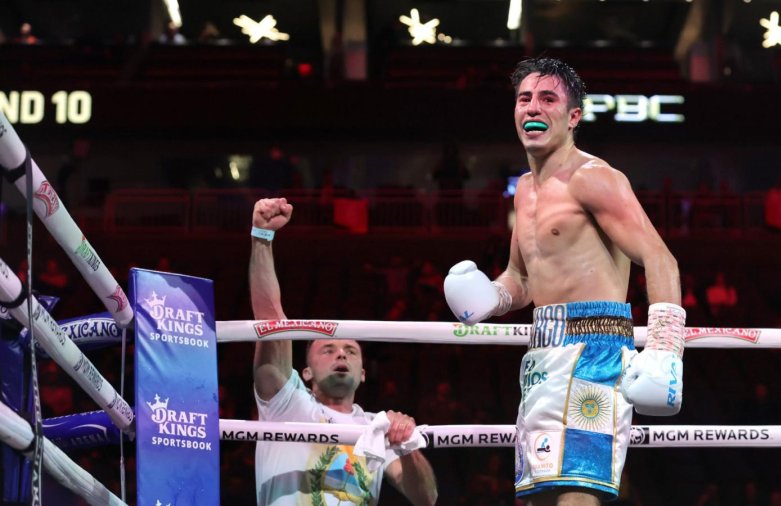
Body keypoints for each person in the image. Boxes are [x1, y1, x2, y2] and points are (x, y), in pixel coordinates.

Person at [444, 58, 684, 505]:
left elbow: (660, 258)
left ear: (573, 116)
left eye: (548, 98)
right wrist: (492, 296)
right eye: (525, 98)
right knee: (536, 496)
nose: (533, 107)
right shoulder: (525, 189)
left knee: (578, 492)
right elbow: (521, 277)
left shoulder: (594, 178)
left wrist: (666, 350)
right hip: (542, 352)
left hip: (595, 349)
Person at [250, 197, 438, 506]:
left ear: (363, 373)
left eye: (350, 351)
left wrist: (407, 443)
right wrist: (262, 236)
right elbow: (271, 322)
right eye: (328, 350)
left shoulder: (376, 426)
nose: (341, 355)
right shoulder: (287, 404)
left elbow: (426, 497)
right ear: (306, 372)